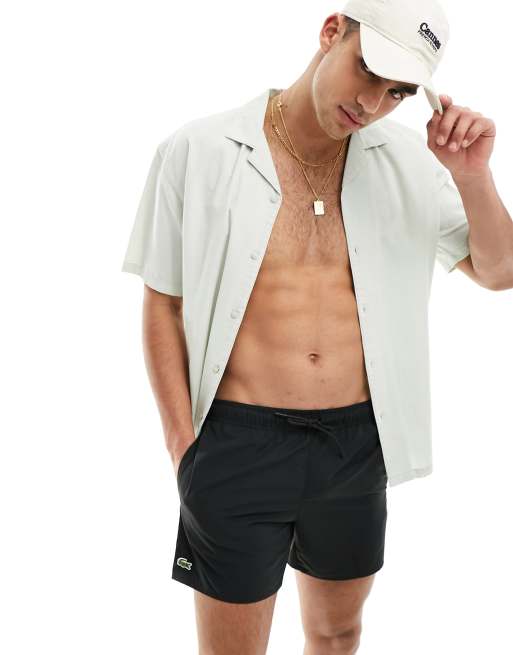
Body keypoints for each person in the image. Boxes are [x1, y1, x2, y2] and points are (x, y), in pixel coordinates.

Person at [121, 0, 513, 652]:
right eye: (368, 70)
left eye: (397, 92)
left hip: (356, 445)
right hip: (237, 441)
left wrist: (472, 177)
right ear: (332, 31)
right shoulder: (199, 149)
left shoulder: (411, 162)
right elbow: (162, 302)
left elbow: (499, 271)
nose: (372, 103)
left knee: (337, 633)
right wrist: (183, 449)